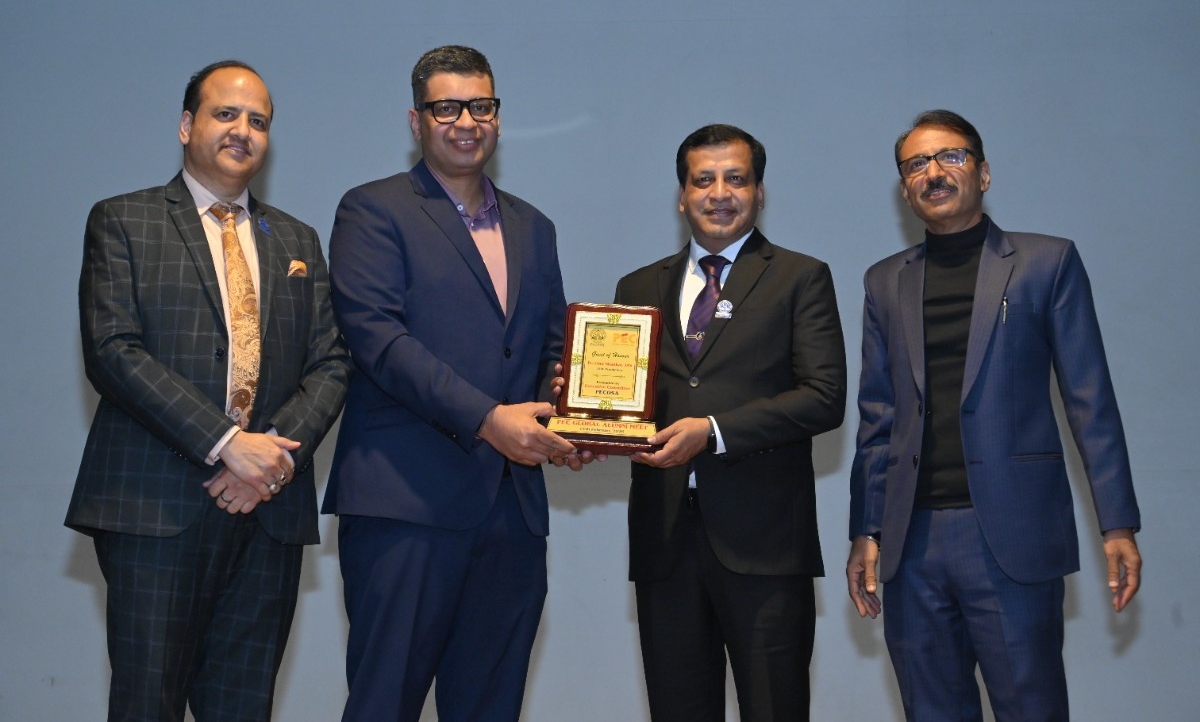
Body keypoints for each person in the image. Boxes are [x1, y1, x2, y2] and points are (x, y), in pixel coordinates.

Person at [66, 60, 351, 722]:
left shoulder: (297, 240)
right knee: (148, 705)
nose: (242, 131)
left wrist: (270, 461)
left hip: (268, 514)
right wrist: (227, 444)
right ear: (186, 125)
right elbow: (112, 350)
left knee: (244, 709)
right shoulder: (124, 220)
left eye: (259, 121)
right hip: (154, 509)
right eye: (226, 114)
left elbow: (332, 362)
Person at [846, 109, 1142, 720]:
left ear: (983, 173)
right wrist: (866, 532)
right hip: (911, 542)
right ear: (904, 188)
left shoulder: (1046, 262)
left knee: (1030, 707)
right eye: (916, 164)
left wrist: (1117, 524)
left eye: (950, 157)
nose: (934, 172)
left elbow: (1090, 400)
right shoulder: (884, 282)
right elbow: (877, 417)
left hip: (1011, 532)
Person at [323, 44, 577, 722]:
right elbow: (379, 341)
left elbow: (551, 348)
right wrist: (491, 418)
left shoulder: (534, 227)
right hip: (405, 503)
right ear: (417, 121)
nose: (466, 121)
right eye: (446, 108)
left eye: (481, 106)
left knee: (491, 706)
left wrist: (567, 420)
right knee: (384, 704)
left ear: (498, 116)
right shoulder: (373, 210)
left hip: (512, 511)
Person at [610, 124, 847, 721]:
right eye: (704, 180)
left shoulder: (800, 277)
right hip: (665, 542)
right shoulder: (637, 287)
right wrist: (587, 409)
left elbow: (823, 397)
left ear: (759, 192)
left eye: (736, 179)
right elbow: (629, 400)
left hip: (765, 544)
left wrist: (713, 431)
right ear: (682, 196)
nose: (720, 193)